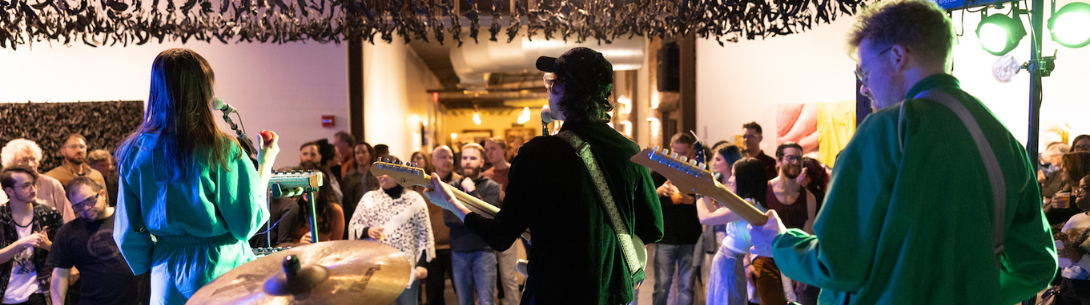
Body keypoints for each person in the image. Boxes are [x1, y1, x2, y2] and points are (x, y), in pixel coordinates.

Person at [748, 1, 1057, 304]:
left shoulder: (886, 129)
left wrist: (780, 242)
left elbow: (837, 263)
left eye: (864, 72)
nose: (864, 88)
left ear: (898, 55)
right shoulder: (1003, 140)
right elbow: (1036, 267)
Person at [423, 47, 664, 305]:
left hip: (553, 293)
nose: (548, 90)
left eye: (552, 83)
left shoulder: (535, 154)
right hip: (613, 295)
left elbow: (501, 236)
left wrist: (450, 202)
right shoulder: (630, 151)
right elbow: (652, 228)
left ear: (566, 91)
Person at [113, 48, 276, 305]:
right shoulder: (221, 148)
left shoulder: (134, 152)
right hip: (219, 267)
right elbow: (246, 222)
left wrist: (158, 255)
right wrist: (265, 162)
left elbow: (126, 233)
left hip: (165, 273)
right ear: (203, 91)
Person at [49, 176, 149, 305]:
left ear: (102, 194)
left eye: (90, 200)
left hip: (138, 300)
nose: (85, 208)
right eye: (78, 206)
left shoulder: (128, 219)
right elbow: (60, 274)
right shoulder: (68, 232)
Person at [348, 172, 434, 305]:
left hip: (406, 266)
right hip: (377, 267)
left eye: (384, 172)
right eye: (377, 172)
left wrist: (421, 264)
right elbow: (353, 226)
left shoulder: (414, 199)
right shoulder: (369, 199)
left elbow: (424, 234)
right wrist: (367, 231)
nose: (379, 176)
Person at [696, 150, 761, 305]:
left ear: (745, 179)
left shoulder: (747, 205)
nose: (730, 179)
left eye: (734, 175)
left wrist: (697, 192)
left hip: (731, 261)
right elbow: (713, 213)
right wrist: (704, 191)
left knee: (728, 300)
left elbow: (705, 218)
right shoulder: (746, 202)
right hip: (728, 260)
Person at [445, 144, 500, 305]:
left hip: (483, 252)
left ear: (482, 162)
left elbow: (490, 219)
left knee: (487, 301)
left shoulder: (491, 186)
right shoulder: (452, 187)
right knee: (464, 302)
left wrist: (473, 192)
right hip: (459, 252)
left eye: (472, 158)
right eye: (464, 158)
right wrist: (476, 221)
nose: (468, 161)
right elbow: (448, 218)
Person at [0, 166, 63, 305]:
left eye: (33, 184)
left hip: (39, 290)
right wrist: (22, 243)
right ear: (9, 191)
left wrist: (47, 245)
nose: (33, 189)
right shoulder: (1, 217)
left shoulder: (49, 214)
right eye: (25, 186)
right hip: (5, 292)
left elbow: (65, 253)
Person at [650, 133, 700, 305]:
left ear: (691, 151)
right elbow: (646, 199)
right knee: (662, 286)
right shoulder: (659, 171)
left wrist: (690, 200)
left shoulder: (696, 172)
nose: (679, 157)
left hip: (690, 237)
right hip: (665, 238)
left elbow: (706, 203)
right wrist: (660, 190)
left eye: (683, 153)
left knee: (687, 287)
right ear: (670, 149)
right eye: (676, 152)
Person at [481, 138, 519, 305]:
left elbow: (523, 200)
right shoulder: (485, 175)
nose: (489, 152)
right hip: (489, 228)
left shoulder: (514, 171)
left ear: (503, 150)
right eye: (487, 149)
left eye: (493, 148)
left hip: (508, 228)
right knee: (488, 276)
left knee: (508, 276)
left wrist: (507, 198)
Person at [0, 140, 74, 223]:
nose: (31, 164)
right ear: (10, 164)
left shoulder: (52, 184)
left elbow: (69, 219)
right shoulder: (2, 189)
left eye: (33, 159)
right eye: (24, 160)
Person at [424, 146, 457, 305]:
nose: (448, 161)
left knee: (462, 291)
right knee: (434, 294)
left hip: (456, 247)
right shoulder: (424, 183)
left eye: (450, 157)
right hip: (433, 248)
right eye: (443, 157)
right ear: (433, 161)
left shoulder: (460, 182)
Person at [1054, 174, 1090, 304]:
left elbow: (1077, 257)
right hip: (1067, 285)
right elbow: (1063, 262)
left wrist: (1080, 258)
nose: (1076, 193)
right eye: (1077, 188)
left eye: (1084, 188)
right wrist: (1060, 244)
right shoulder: (1074, 219)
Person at [292, 165, 345, 244]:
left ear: (322, 189)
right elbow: (285, 241)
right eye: (305, 186)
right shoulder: (294, 207)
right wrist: (299, 242)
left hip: (326, 253)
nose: (307, 190)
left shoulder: (335, 211)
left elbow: (337, 244)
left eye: (311, 186)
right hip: (298, 253)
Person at [340, 142, 379, 240]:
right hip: (355, 219)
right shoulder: (348, 178)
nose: (360, 156)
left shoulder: (378, 176)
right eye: (357, 153)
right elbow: (346, 204)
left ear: (370, 154)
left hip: (376, 218)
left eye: (363, 152)